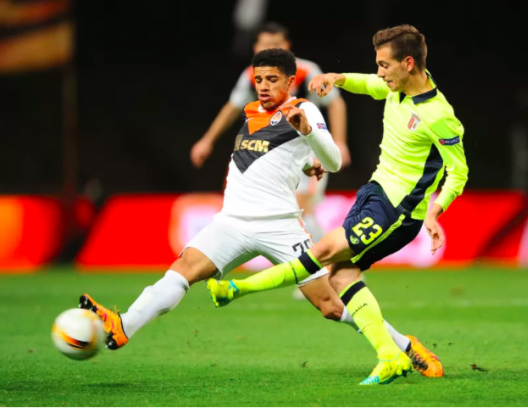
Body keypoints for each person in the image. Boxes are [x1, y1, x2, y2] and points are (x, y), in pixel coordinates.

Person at [77, 49, 422, 378]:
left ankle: (405, 347)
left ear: (290, 82)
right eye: (259, 79)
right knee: (181, 271)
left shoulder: (304, 110)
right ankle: (123, 325)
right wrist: (305, 162)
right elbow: (279, 159)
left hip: (281, 228)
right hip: (231, 223)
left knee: (331, 306)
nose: (264, 86)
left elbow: (332, 160)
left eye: (272, 79)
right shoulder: (251, 112)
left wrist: (307, 134)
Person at [207, 24, 466, 385]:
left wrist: (436, 212)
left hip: (399, 211)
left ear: (408, 63)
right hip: (374, 193)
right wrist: (339, 77)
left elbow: (459, 170)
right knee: (341, 276)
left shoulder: (438, 114)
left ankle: (235, 289)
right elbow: (376, 87)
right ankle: (396, 352)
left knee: (324, 249)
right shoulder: (400, 85)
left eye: (384, 65)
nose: (379, 72)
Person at [190, 22, 350, 246]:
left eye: (275, 45)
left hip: (305, 153)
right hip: (272, 156)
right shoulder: (251, 75)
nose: (269, 50)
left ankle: (336, 262)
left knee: (301, 213)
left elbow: (335, 103)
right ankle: (326, 261)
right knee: (278, 216)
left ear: (287, 46)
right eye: (265, 45)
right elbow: (232, 107)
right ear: (256, 47)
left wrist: (340, 142)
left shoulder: (306, 70)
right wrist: (207, 140)